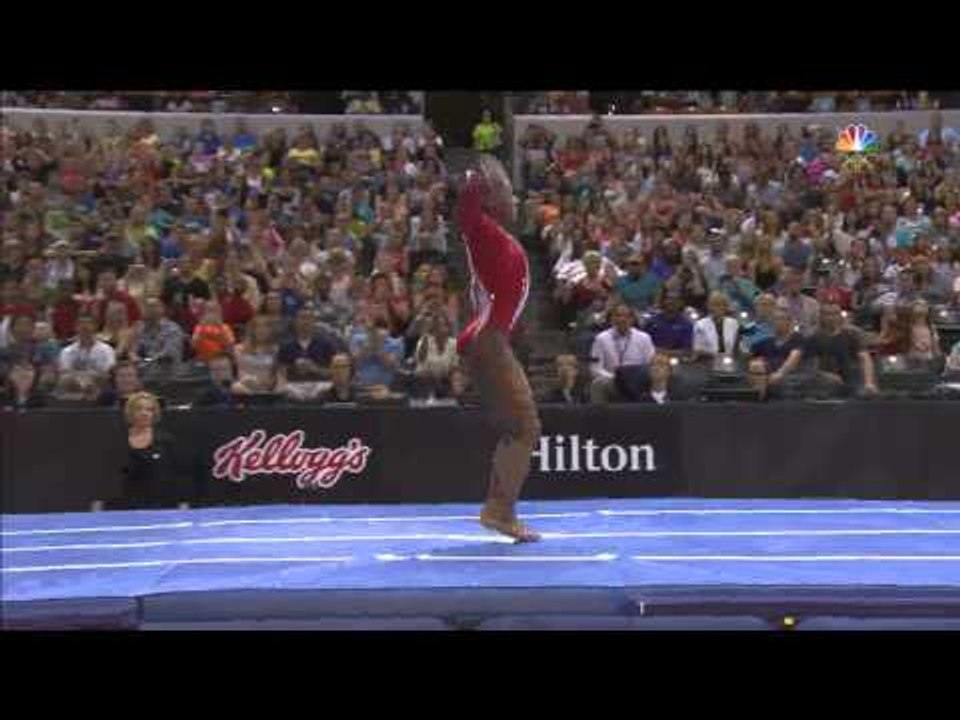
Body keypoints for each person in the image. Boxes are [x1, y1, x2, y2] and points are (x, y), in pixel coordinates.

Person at [455, 155, 541, 542]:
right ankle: (499, 511)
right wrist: (476, 180)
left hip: (490, 336)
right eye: (510, 192)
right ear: (493, 200)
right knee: (525, 427)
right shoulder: (485, 231)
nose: (518, 200)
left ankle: (498, 509)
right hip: (488, 339)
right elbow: (466, 217)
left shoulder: (498, 237)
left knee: (515, 429)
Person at [776, 303, 878, 396]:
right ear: (821, 316)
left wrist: (869, 383)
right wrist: (780, 373)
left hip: (852, 379)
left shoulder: (853, 333)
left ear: (840, 315)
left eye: (835, 314)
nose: (831, 317)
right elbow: (798, 356)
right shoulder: (813, 335)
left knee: (866, 392)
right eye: (827, 314)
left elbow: (865, 358)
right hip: (823, 382)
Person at [117, 392, 188, 509]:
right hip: (124, 507)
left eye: (149, 410)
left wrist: (182, 503)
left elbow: (178, 475)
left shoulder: (166, 440)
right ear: (130, 412)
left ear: (154, 414)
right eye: (139, 409)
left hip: (160, 506)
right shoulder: (117, 440)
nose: (144, 413)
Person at [590, 303, 656, 403]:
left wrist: (634, 378)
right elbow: (595, 368)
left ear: (632, 319)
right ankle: (599, 416)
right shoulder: (601, 338)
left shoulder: (644, 338)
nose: (622, 319)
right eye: (618, 315)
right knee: (598, 383)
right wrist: (616, 378)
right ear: (612, 319)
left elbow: (651, 364)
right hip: (611, 381)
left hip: (637, 381)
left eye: (626, 316)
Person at [693, 291, 741, 362]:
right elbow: (697, 349)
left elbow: (737, 348)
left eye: (721, 304)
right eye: (714, 304)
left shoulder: (734, 323)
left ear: (726, 307)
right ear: (709, 306)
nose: (718, 308)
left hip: (729, 362)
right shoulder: (700, 324)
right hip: (708, 362)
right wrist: (718, 355)